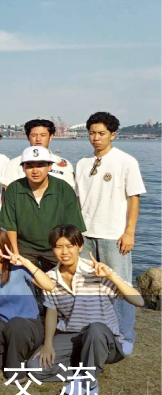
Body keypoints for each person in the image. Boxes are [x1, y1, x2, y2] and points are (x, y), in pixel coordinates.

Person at [28, 225, 144, 395]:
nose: (64, 252)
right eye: (59, 246)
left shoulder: (96, 271)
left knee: (95, 328)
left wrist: (111, 276)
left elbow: (139, 301)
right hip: (73, 336)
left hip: (104, 339)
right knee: (34, 368)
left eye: (70, 246)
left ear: (80, 247)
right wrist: (48, 344)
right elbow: (51, 312)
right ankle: (85, 368)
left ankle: (89, 382)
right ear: (53, 249)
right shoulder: (50, 278)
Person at [76, 112, 146, 355]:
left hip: (113, 234)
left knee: (120, 285)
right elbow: (79, 200)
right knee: (87, 286)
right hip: (85, 234)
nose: (96, 138)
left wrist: (129, 232)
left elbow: (133, 198)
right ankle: (90, 330)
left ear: (113, 135)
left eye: (101, 133)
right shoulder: (82, 163)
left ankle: (124, 335)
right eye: (92, 133)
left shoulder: (126, 161)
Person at [0, 228, 56, 380]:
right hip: (2, 321)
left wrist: (26, 262)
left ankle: (16, 371)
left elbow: (49, 286)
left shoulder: (18, 268)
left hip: (29, 324)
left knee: (16, 325)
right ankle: (8, 359)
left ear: (5, 247)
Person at [0, 146, 86, 273]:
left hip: (56, 245)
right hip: (25, 246)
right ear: (23, 168)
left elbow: (72, 226)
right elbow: (10, 225)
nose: (35, 170)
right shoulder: (14, 189)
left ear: (50, 166)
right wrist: (16, 253)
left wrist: (66, 251)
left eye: (40, 165)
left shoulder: (63, 188)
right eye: (29, 166)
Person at [0, 119, 75, 189]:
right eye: (34, 135)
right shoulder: (14, 164)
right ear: (28, 137)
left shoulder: (63, 164)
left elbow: (68, 191)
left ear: (51, 136)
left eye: (43, 135)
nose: (38, 139)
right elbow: (8, 192)